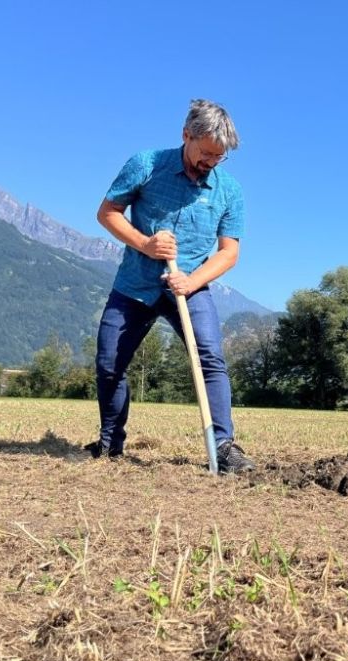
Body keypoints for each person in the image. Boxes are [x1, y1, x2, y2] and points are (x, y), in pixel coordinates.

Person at [86, 99, 255, 474]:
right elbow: (107, 213)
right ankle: (110, 442)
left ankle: (223, 447)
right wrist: (145, 244)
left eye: (219, 156)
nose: (211, 161)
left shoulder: (230, 191)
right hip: (134, 285)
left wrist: (191, 280)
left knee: (210, 358)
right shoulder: (145, 165)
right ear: (186, 135)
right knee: (110, 362)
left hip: (190, 287)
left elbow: (229, 253)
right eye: (206, 152)